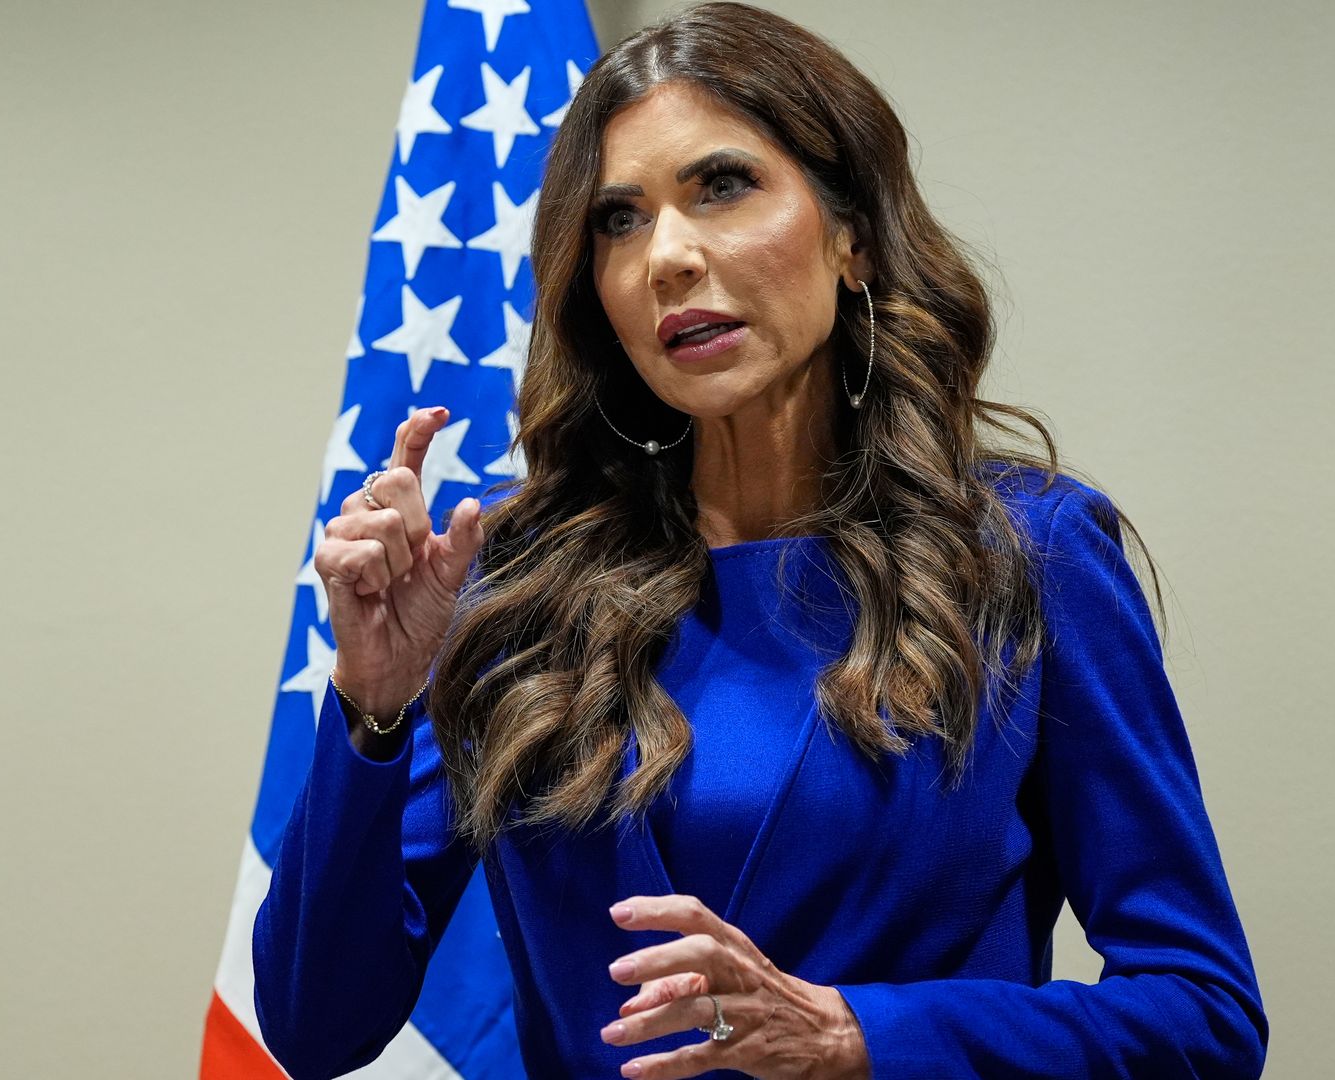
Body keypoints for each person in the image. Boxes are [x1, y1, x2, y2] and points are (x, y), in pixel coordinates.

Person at [253, 3, 1266, 1077]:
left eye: (722, 186)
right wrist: (374, 703)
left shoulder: (1030, 553)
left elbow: (1202, 1015)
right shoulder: (515, 584)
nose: (667, 257)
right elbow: (317, 1027)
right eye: (618, 220)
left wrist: (855, 1035)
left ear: (852, 236)